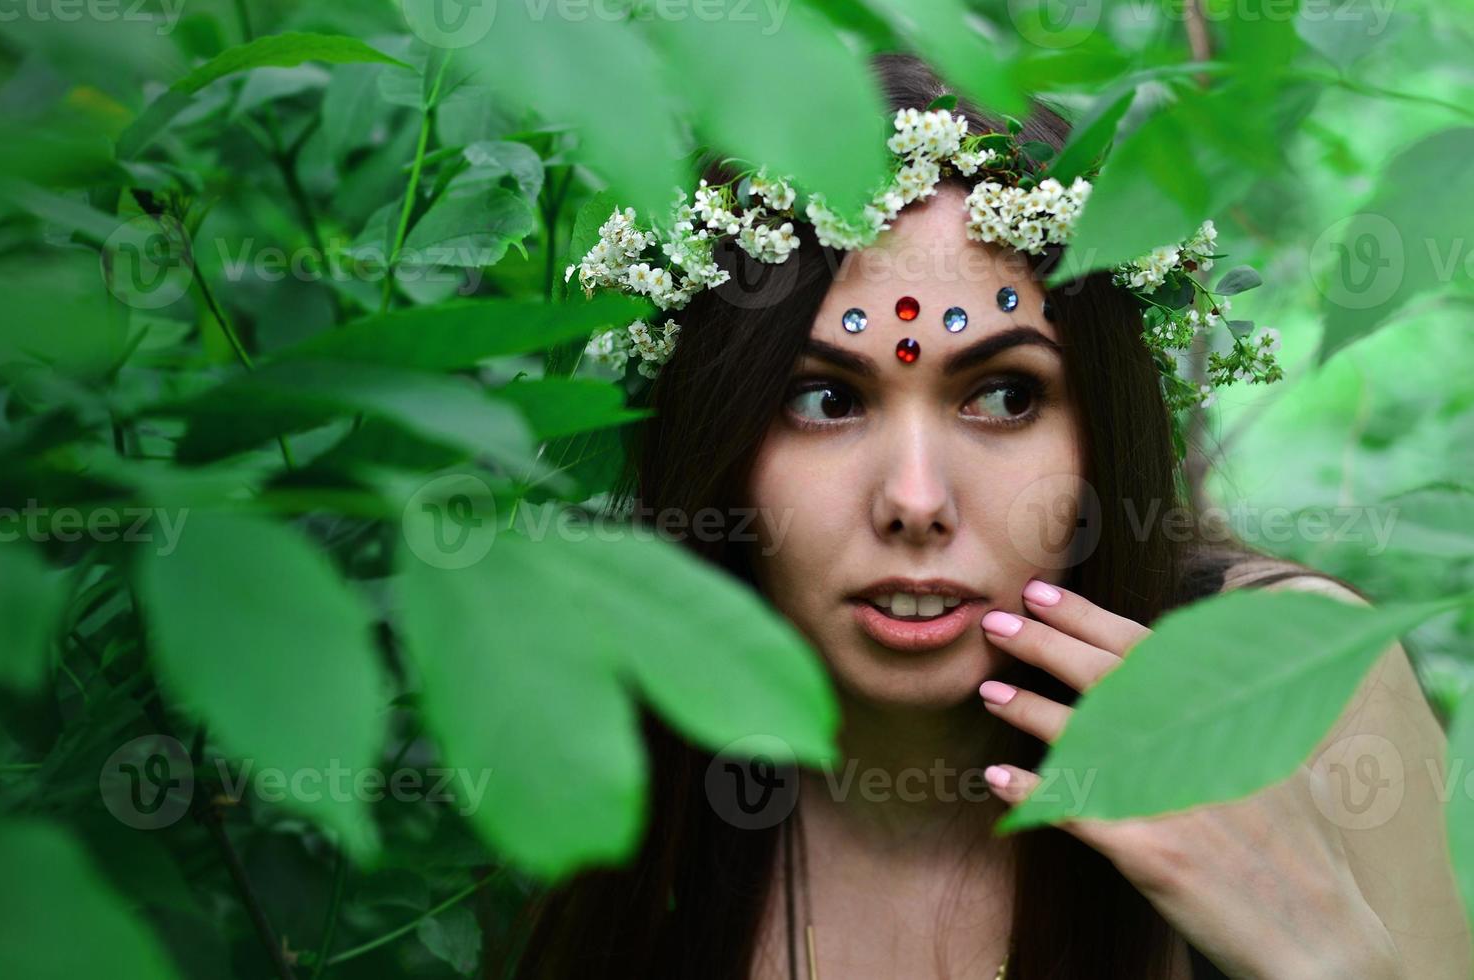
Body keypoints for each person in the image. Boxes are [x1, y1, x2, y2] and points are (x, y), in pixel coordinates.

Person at [493, 53, 1468, 979]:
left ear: (1102, 425)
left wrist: (1330, 957)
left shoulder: (1301, 687)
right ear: (717, 440)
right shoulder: (613, 754)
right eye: (826, 400)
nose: (915, 501)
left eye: (1003, 396)